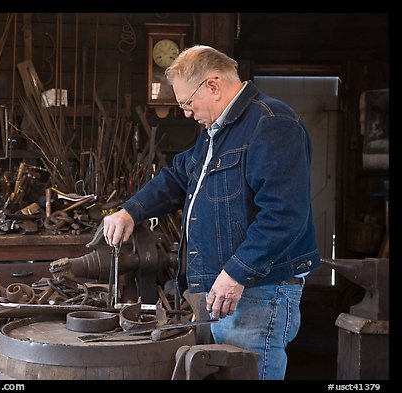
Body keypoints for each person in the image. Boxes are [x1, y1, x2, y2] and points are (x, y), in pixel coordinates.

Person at [102, 45, 321, 380]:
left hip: (256, 293)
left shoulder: (272, 124)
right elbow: (177, 176)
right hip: (221, 292)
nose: (187, 113)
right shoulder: (216, 135)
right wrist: (130, 212)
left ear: (213, 85)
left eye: (188, 103)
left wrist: (236, 273)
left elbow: (284, 216)